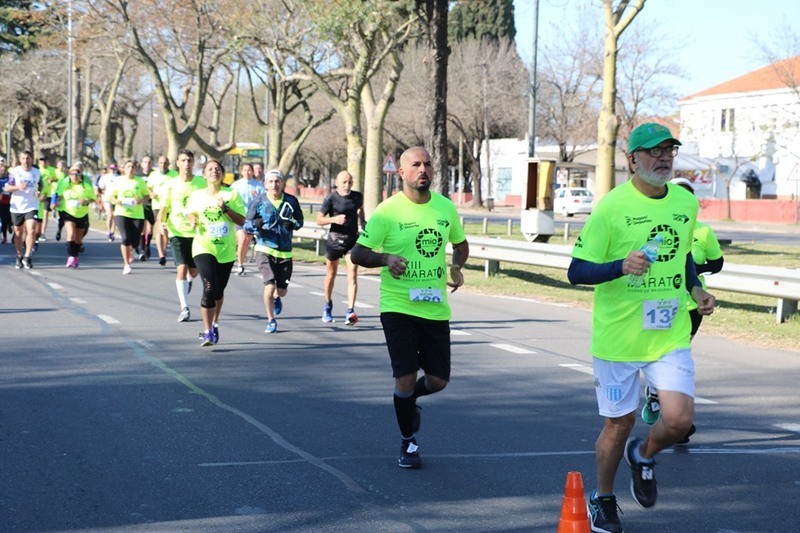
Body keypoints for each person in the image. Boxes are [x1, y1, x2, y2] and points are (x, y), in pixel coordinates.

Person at [567, 123, 716, 533]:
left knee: (680, 420)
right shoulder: (611, 208)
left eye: (669, 150)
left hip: (668, 334)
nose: (663, 157)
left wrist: (696, 287)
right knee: (619, 424)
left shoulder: (684, 205)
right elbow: (575, 271)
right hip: (617, 338)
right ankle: (603, 498)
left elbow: (683, 253)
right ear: (632, 159)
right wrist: (620, 266)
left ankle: (645, 455)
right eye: (653, 151)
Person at [350, 146, 469, 469]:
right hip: (398, 306)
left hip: (434, 308)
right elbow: (358, 254)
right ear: (401, 172)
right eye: (415, 165)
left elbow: (460, 244)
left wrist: (457, 266)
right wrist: (386, 259)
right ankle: (408, 443)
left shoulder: (445, 208)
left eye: (428, 164)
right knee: (404, 377)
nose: (423, 170)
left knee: (437, 381)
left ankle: (408, 401)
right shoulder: (388, 212)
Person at [640, 176, 725, 443]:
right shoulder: (655, 226)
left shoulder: (702, 232)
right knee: (662, 354)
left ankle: (674, 415)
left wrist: (692, 272)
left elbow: (717, 263)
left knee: (678, 356)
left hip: (691, 305)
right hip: (659, 300)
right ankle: (666, 404)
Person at [186, 159, 246, 346]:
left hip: (226, 250)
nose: (214, 171)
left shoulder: (231, 194)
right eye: (210, 169)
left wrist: (225, 208)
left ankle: (214, 323)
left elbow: (242, 221)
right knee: (209, 287)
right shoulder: (196, 196)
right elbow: (190, 212)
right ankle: (207, 331)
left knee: (219, 291)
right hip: (203, 247)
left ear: (222, 174)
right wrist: (192, 219)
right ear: (204, 175)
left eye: (218, 169)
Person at [243, 169, 303, 334]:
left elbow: (300, 221)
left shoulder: (291, 201)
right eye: (270, 181)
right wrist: (256, 224)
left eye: (277, 181)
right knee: (269, 286)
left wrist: (293, 224)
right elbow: (246, 225)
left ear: (283, 183)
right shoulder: (258, 202)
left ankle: (277, 297)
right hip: (264, 248)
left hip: (285, 252)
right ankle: (271, 320)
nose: (274, 185)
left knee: (282, 291)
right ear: (265, 184)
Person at [157, 149, 206, 322]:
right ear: (177, 163)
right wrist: (161, 224)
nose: (186, 164)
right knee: (182, 268)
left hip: (197, 232)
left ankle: (189, 280)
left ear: (193, 163)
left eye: (189, 161)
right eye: (183, 161)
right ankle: (184, 308)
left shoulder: (201, 183)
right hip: (176, 230)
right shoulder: (171, 185)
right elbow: (163, 208)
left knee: (193, 271)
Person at [316, 170, 365, 325]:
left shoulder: (357, 196)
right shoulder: (331, 198)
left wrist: (363, 221)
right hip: (335, 240)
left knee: (352, 274)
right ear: (336, 183)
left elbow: (360, 209)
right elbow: (319, 220)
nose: (347, 185)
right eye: (344, 182)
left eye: (350, 182)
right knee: (331, 274)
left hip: (352, 240)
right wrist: (335, 219)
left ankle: (350, 311)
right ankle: (327, 305)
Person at [109, 160, 150, 274]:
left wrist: (141, 200)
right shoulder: (118, 181)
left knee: (135, 241)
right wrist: (117, 201)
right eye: (128, 166)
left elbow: (147, 196)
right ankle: (126, 264)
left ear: (136, 169)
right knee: (125, 238)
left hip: (137, 214)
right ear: (124, 169)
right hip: (121, 212)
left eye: (133, 167)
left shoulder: (140, 182)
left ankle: (132, 249)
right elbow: (111, 196)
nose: (130, 169)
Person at [52, 164, 97, 268]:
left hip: (82, 213)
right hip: (68, 212)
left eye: (77, 174)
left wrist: (85, 201)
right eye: (73, 174)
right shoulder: (64, 183)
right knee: (71, 234)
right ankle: (71, 257)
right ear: (69, 175)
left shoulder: (86, 186)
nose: (75, 176)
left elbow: (93, 199)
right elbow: (57, 194)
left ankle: (75, 256)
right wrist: (55, 203)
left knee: (78, 239)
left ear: (81, 175)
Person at [4, 151, 42, 269]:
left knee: (31, 230)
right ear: (20, 160)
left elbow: (40, 185)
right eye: (23, 158)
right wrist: (18, 187)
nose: (26, 161)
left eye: (28, 158)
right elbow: (7, 187)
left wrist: (38, 192)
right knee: (18, 233)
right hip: (17, 206)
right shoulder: (14, 172)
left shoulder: (36, 172)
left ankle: (27, 256)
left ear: (31, 159)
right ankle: (19, 255)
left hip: (32, 205)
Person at [230, 163, 264, 275]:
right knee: (242, 240)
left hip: (252, 218)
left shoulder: (258, 186)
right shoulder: (236, 185)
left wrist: (257, 197)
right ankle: (239, 265)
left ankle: (241, 262)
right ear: (241, 172)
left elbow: (264, 201)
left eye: (249, 170)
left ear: (252, 172)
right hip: (239, 217)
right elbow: (229, 199)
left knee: (247, 242)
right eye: (245, 170)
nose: (247, 172)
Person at [147, 155, 178, 266]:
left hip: (171, 206)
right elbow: (149, 187)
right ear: (158, 163)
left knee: (167, 231)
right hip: (158, 205)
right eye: (160, 163)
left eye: (165, 163)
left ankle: (164, 250)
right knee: (160, 227)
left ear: (168, 164)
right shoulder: (153, 175)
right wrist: (151, 193)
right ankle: (161, 255)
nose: (163, 165)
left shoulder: (175, 175)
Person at [96, 162, 120, 241]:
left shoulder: (119, 178)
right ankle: (109, 231)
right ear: (109, 169)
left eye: (114, 169)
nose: (113, 170)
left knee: (115, 215)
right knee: (110, 214)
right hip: (107, 198)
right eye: (111, 169)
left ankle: (112, 232)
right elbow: (101, 187)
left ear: (116, 169)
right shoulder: (105, 177)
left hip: (116, 199)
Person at [0, 162, 11, 244]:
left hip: (10, 201)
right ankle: (4, 237)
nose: (3, 172)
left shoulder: (9, 179)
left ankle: (10, 225)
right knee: (3, 220)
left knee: (10, 219)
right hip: (1, 202)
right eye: (1, 170)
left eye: (4, 170)